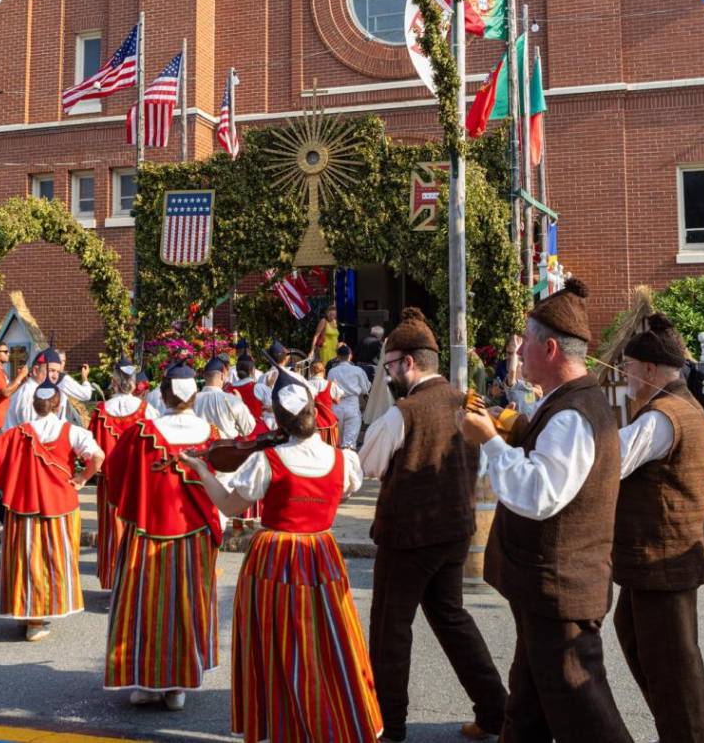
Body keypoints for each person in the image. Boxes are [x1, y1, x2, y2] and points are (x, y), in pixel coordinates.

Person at [458, 278, 633, 743]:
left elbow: (538, 494)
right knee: (529, 706)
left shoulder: (574, 414)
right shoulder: (568, 404)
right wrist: (512, 427)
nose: (519, 354)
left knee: (585, 711)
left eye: (526, 344)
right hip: (547, 588)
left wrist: (491, 441)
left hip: (560, 590)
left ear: (551, 348)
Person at [184, 367, 383, 742]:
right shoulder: (343, 461)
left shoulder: (267, 460)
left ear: (280, 417)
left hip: (274, 553)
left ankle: (283, 724)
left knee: (276, 643)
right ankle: (334, 720)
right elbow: (344, 491)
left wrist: (200, 470)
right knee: (329, 638)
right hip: (321, 550)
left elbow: (228, 505)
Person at [358, 307, 508, 742]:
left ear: (408, 363)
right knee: (451, 618)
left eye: (389, 366)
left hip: (408, 535)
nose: (387, 375)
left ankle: (390, 726)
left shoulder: (401, 414)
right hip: (455, 530)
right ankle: (495, 711)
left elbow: (368, 467)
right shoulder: (468, 402)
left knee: (390, 627)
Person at [613, 314, 704, 743]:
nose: (625, 375)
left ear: (650, 369)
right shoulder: (677, 405)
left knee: (673, 664)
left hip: (663, 559)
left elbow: (608, 463)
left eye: (630, 367)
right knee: (639, 639)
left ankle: (686, 737)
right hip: (656, 559)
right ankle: (675, 730)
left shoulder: (662, 416)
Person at [103, 363, 221, 711]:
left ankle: (150, 682)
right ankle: (178, 685)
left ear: (163, 393)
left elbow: (115, 474)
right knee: (186, 606)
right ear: (194, 395)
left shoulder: (142, 432)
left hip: (146, 531)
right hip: (195, 534)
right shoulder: (210, 434)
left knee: (146, 606)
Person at [0, 378, 105, 642]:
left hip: (23, 505)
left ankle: (27, 612)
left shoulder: (17, 432)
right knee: (53, 560)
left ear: (35, 405)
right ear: (58, 404)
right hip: (60, 506)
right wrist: (83, 478)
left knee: (25, 559)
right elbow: (98, 457)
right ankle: (38, 617)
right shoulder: (72, 431)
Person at [86, 356, 158, 590]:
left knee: (111, 529)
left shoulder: (101, 411)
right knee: (138, 526)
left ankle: (114, 580)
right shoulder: (148, 411)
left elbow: (90, 447)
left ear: (115, 381)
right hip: (139, 481)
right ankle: (136, 579)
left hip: (109, 481)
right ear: (134, 383)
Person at [4, 346, 93, 429]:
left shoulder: (39, 391)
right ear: (35, 371)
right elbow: (32, 432)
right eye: (51, 371)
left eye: (57, 372)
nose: (55, 376)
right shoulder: (30, 394)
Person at [192, 356, 256, 441]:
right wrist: (240, 402)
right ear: (222, 376)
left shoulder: (192, 400)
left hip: (201, 450)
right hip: (227, 450)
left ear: (204, 376)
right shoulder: (233, 400)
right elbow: (247, 428)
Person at [328, 345, 371, 449]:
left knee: (337, 443)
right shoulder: (357, 370)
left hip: (336, 407)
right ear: (350, 356)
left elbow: (329, 389)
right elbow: (366, 389)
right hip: (352, 406)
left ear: (337, 357)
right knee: (349, 444)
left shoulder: (331, 371)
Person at [0, 341, 27, 436]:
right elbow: (5, 393)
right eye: (5, 351)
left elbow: (9, 391)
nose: (9, 354)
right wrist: (20, 377)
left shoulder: (0, 370)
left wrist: (21, 379)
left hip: (2, 419)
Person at [224, 352, 267, 441]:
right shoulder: (258, 387)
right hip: (258, 434)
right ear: (252, 370)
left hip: (237, 436)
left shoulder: (228, 390)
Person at [307, 360, 344, 447]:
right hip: (328, 423)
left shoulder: (306, 385)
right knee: (331, 450)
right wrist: (334, 385)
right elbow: (338, 401)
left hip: (311, 424)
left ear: (311, 371)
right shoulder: (330, 385)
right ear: (323, 371)